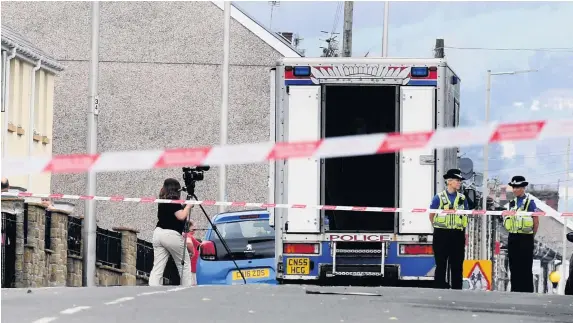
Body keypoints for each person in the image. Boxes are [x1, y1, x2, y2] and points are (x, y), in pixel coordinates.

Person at [148, 178, 194, 286]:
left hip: (158, 233)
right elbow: (181, 216)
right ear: (176, 189)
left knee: (158, 267)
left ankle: (152, 289)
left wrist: (184, 208)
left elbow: (173, 214)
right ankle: (186, 289)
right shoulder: (173, 200)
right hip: (171, 235)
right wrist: (188, 206)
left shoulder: (163, 200)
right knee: (185, 264)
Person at [429, 168, 469, 289]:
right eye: (457, 180)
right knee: (441, 264)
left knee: (457, 265)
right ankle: (439, 289)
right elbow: (431, 216)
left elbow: (465, 215)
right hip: (441, 234)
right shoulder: (438, 197)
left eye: (460, 181)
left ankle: (457, 290)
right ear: (449, 181)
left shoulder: (462, 198)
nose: (459, 183)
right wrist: (439, 227)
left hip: (457, 234)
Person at [504, 175, 538, 293]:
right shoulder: (511, 203)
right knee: (513, 265)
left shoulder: (530, 202)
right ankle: (515, 290)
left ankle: (527, 291)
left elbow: (536, 221)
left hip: (526, 237)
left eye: (517, 187)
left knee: (526, 266)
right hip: (513, 237)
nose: (514, 190)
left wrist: (531, 236)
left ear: (523, 187)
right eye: (513, 187)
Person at [184, 221, 200, 286]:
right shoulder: (188, 235)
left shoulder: (188, 235)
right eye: (193, 226)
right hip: (192, 267)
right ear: (189, 227)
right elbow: (188, 243)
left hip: (193, 267)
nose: (195, 227)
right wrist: (193, 252)